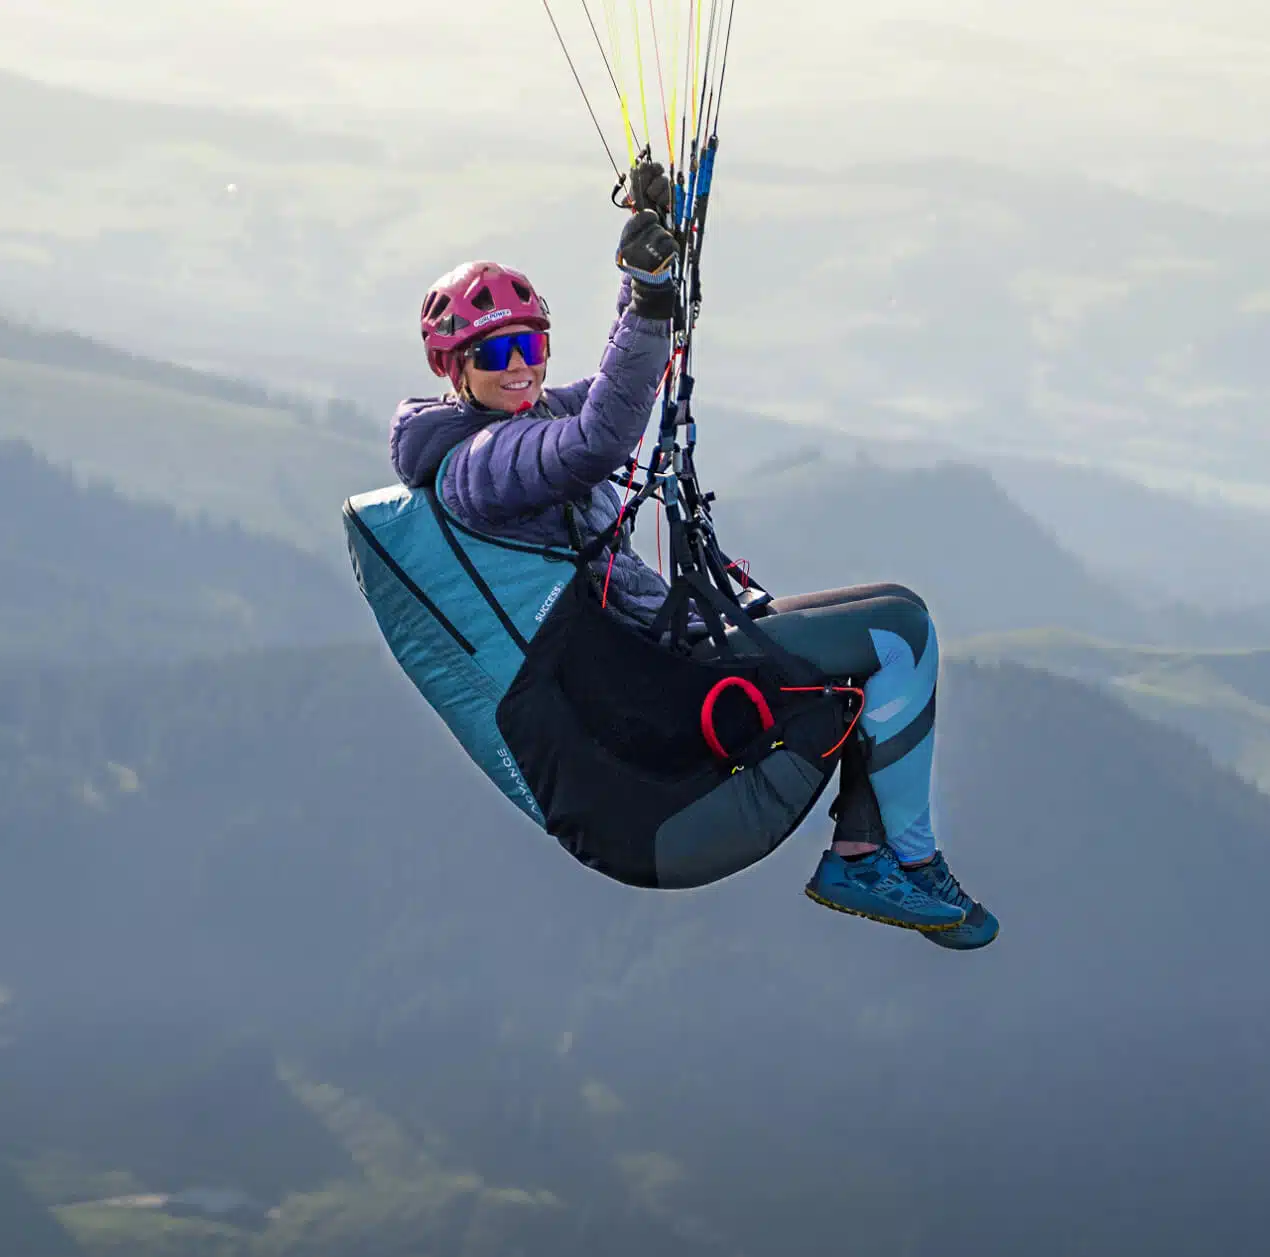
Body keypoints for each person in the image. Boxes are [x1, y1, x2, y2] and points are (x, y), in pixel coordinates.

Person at [383, 191, 997, 949]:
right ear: (452, 368)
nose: (521, 368)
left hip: (659, 648)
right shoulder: (477, 467)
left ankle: (869, 854)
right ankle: (892, 861)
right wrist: (649, 299)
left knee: (898, 613)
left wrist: (641, 281)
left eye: (531, 345)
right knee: (899, 635)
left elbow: (610, 391)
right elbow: (599, 439)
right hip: (657, 676)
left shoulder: (522, 421)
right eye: (494, 354)